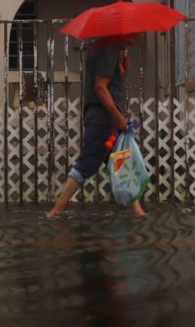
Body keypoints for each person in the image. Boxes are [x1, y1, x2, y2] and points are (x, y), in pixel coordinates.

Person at [47, 33, 147, 218]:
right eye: (132, 36)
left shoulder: (100, 49)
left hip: (104, 119)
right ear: (120, 32)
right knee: (87, 163)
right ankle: (57, 210)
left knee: (121, 162)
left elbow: (107, 82)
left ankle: (138, 212)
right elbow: (100, 87)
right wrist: (118, 117)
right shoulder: (108, 51)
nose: (133, 41)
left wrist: (121, 69)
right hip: (104, 121)